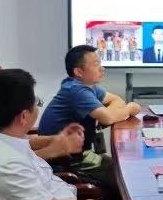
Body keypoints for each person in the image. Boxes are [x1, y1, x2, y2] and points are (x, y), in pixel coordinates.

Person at [0, 69, 105, 200]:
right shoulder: (7, 167)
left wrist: (57, 140)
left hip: (60, 194)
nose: (37, 105)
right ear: (23, 117)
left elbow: (22, 142)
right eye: (36, 102)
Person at [38, 45, 142, 184]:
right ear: (79, 72)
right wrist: (129, 108)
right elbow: (108, 118)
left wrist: (109, 113)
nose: (102, 68)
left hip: (81, 155)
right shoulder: (76, 90)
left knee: (124, 167)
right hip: (65, 162)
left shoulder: (88, 87)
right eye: (96, 64)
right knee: (126, 176)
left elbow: (116, 100)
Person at [0, 49, 83, 161]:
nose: (0, 80)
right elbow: (6, 162)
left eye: (0, 72)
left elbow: (18, 142)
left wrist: (57, 140)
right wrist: (55, 150)